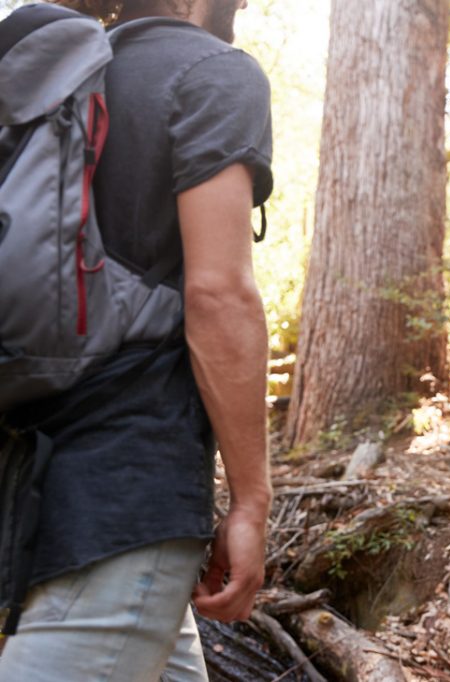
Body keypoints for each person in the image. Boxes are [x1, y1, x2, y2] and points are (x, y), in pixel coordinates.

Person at [0, 1, 273, 680]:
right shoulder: (212, 71)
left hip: (33, 477)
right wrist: (250, 500)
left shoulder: (64, 83)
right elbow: (220, 294)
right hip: (127, 484)